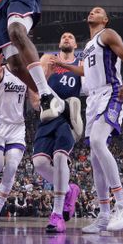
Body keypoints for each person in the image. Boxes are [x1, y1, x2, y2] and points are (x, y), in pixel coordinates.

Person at [56, 7, 123, 232]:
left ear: (105, 19)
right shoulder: (88, 46)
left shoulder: (108, 34)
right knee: (94, 158)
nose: (92, 12)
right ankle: (103, 214)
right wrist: (63, 65)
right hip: (92, 100)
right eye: (91, 11)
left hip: (111, 92)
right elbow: (85, 72)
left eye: (98, 11)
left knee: (98, 142)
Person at [32, 32, 83, 233]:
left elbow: (92, 83)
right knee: (40, 163)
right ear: (59, 43)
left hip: (67, 116)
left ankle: (57, 214)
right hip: (49, 114)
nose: (67, 38)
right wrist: (48, 73)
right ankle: (70, 189)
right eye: (63, 36)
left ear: (76, 44)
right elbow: (36, 90)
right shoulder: (48, 59)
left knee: (60, 158)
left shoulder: (82, 64)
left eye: (71, 36)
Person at [0, 63, 34, 230]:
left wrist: (45, 104)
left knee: (11, 167)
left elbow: (35, 101)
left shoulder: (27, 72)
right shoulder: (2, 70)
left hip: (18, 127)